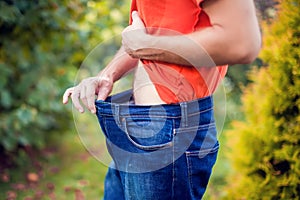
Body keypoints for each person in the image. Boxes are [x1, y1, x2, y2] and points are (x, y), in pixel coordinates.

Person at [63, 0, 261, 199]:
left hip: (170, 131)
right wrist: (107, 75)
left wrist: (144, 44)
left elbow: (241, 43)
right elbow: (144, 38)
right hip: (135, 124)